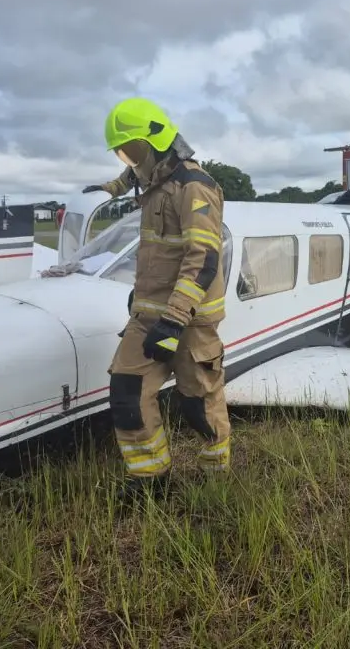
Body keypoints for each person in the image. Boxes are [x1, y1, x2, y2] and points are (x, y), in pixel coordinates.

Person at [98, 96, 230, 498]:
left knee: (198, 407)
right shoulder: (153, 180)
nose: (131, 159)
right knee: (126, 394)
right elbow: (138, 174)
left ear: (158, 142)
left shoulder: (194, 188)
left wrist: (174, 320)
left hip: (188, 321)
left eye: (133, 150)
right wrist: (113, 186)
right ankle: (151, 481)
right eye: (124, 152)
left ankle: (216, 479)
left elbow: (203, 258)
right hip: (147, 315)